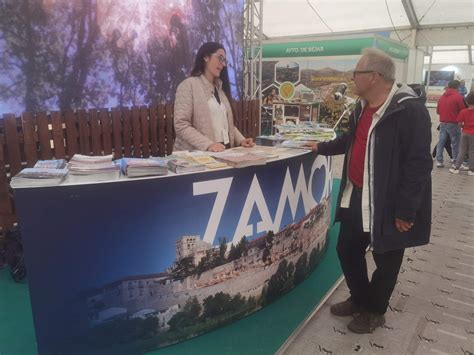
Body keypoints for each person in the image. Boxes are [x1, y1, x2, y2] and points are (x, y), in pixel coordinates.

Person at [305, 48, 432, 334]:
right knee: (346, 248)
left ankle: (375, 310)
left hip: (390, 200)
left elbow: (419, 164)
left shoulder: (409, 110)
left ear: (373, 77)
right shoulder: (361, 108)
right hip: (357, 193)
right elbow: (352, 140)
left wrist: (406, 210)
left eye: (356, 73)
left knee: (386, 257)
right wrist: (321, 147)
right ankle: (360, 299)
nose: (352, 79)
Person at [173, 42, 254, 152]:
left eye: (224, 60)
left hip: (224, 151)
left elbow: (226, 125)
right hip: (198, 158)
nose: (223, 64)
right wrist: (208, 145)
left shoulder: (220, 89)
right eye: (220, 58)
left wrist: (241, 140)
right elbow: (181, 125)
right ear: (206, 57)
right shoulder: (188, 85)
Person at [435, 80, 466, 167]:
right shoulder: (458, 97)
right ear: (457, 87)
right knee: (455, 142)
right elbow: (462, 110)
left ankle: (439, 161)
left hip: (443, 122)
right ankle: (456, 162)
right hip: (453, 123)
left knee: (441, 142)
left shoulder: (442, 97)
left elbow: (438, 111)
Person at [449, 91, 474, 176]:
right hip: (473, 134)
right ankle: (471, 170)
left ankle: (456, 168)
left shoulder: (463, 112)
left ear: (466, 101)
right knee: (472, 151)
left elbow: (459, 124)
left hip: (464, 133)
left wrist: (464, 127)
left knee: (462, 151)